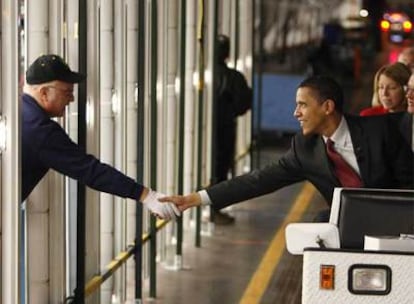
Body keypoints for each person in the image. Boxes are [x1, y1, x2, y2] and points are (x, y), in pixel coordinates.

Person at [160, 75, 414, 222]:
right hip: (350, 227)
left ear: (327, 107)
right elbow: (256, 181)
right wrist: (193, 199)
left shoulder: (379, 130)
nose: (296, 113)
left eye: (303, 105)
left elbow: (409, 183)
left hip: (398, 224)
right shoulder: (305, 150)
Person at [22, 54, 179, 220]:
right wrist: (147, 196)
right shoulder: (40, 130)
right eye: (67, 92)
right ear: (44, 93)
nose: (72, 99)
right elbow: (90, 170)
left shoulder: (19, 111)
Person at [210, 35, 252, 225]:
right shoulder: (234, 77)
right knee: (220, 169)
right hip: (225, 129)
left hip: (202, 133)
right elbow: (243, 104)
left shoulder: (201, 76)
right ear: (227, 54)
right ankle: (214, 209)